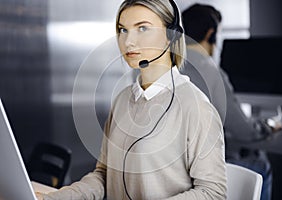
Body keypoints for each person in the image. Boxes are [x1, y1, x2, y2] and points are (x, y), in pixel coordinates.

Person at [36, 0, 227, 199]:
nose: (128, 42)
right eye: (123, 30)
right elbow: (103, 175)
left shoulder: (196, 107)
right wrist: (56, 197)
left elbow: (213, 193)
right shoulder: (123, 99)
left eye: (142, 28)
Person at [181, 4, 272, 200]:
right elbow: (244, 131)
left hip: (175, 171)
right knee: (261, 164)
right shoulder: (211, 72)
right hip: (202, 174)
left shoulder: (168, 66)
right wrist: (267, 126)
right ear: (211, 33)